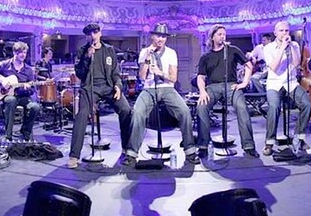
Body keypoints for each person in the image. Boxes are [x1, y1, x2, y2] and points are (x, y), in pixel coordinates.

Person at [121, 23, 201, 167]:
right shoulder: (145, 52)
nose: (160, 39)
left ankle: (190, 151)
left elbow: (173, 78)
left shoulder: (171, 53)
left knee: (184, 111)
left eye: (163, 36)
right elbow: (142, 77)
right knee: (137, 113)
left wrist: (159, 72)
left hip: (167, 88)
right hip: (149, 89)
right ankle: (131, 154)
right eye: (158, 36)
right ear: (152, 36)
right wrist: (147, 57)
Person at [68, 23, 132, 168]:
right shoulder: (82, 51)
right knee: (82, 114)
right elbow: (80, 74)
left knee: (126, 109)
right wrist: (86, 58)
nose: (93, 36)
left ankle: (127, 149)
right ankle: (74, 155)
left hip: (108, 87)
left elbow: (115, 73)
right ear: (86, 36)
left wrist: (118, 86)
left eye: (95, 32)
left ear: (100, 33)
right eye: (89, 34)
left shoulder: (109, 50)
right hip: (90, 87)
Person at [195, 24, 259, 158]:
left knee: (241, 107)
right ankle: (203, 146)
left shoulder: (232, 50)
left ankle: (249, 146)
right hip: (212, 87)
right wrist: (202, 91)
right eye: (219, 34)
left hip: (231, 85)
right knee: (201, 107)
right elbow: (201, 77)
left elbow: (248, 65)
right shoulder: (205, 57)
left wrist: (245, 82)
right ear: (212, 37)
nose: (223, 36)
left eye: (224, 34)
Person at [262, 21, 311, 156]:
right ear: (275, 33)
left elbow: (296, 64)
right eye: (282, 31)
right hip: (274, 83)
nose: (285, 33)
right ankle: (269, 142)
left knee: (307, 104)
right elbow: (273, 67)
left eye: (287, 31)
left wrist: (291, 48)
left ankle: (299, 138)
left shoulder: (294, 45)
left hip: (291, 82)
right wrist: (282, 48)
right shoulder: (268, 48)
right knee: (274, 107)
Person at [0, 41, 40, 142]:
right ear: (15, 53)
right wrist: (1, 82)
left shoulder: (28, 70)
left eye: (25, 52)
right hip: (8, 95)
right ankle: (8, 135)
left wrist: (27, 88)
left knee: (35, 107)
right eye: (20, 52)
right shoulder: (5, 64)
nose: (23, 55)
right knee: (11, 100)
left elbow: (32, 90)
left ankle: (25, 132)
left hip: (23, 96)